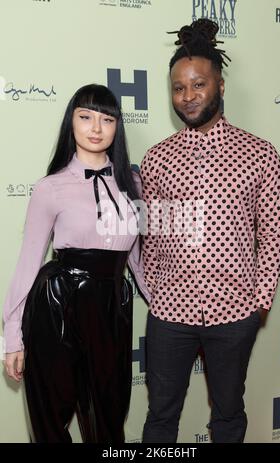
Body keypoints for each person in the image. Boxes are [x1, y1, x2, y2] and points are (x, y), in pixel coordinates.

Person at [141, 19, 280, 443]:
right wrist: (156, 290)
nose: (188, 97)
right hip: (169, 315)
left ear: (220, 86)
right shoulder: (156, 159)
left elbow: (273, 232)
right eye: (178, 88)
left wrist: (259, 301)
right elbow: (151, 234)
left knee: (228, 414)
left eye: (198, 85)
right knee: (160, 417)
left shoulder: (259, 153)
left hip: (234, 313)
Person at [2, 83, 150, 443]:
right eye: (85, 117)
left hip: (112, 306)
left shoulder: (133, 183)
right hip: (57, 303)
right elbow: (28, 262)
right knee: (51, 419)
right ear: (72, 123)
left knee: (109, 417)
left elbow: (135, 257)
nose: (96, 128)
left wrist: (165, 304)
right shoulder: (50, 187)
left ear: (117, 127)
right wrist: (12, 337)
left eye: (106, 119)